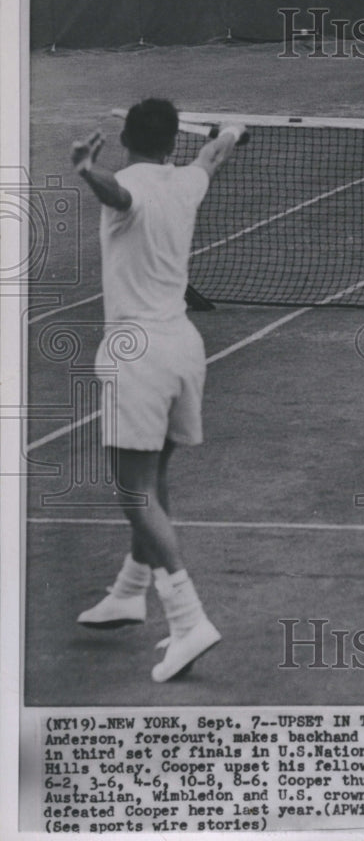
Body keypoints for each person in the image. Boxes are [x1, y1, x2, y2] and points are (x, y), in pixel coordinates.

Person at [70, 99, 245, 682]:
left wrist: (85, 170)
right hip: (183, 350)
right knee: (155, 478)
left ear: (124, 139)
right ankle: (129, 590)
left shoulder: (124, 182)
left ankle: (188, 619)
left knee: (132, 491)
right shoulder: (190, 180)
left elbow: (116, 197)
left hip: (136, 357)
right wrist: (233, 132)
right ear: (173, 142)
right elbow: (214, 154)